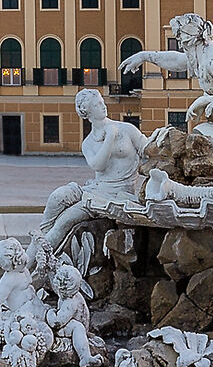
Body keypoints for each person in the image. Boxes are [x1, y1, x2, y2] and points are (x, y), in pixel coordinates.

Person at [117, 13, 213, 155]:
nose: (179, 44)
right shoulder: (199, 54)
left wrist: (205, 100)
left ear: (190, 40)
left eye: (180, 39)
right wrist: (144, 56)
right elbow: (176, 61)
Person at [34, 88, 150, 252]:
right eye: (97, 105)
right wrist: (109, 137)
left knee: (65, 221)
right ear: (86, 112)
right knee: (57, 196)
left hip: (116, 194)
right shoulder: (88, 143)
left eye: (102, 102)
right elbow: (98, 165)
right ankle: (29, 257)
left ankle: (40, 254)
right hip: (95, 188)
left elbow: (148, 149)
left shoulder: (126, 129)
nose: (103, 106)